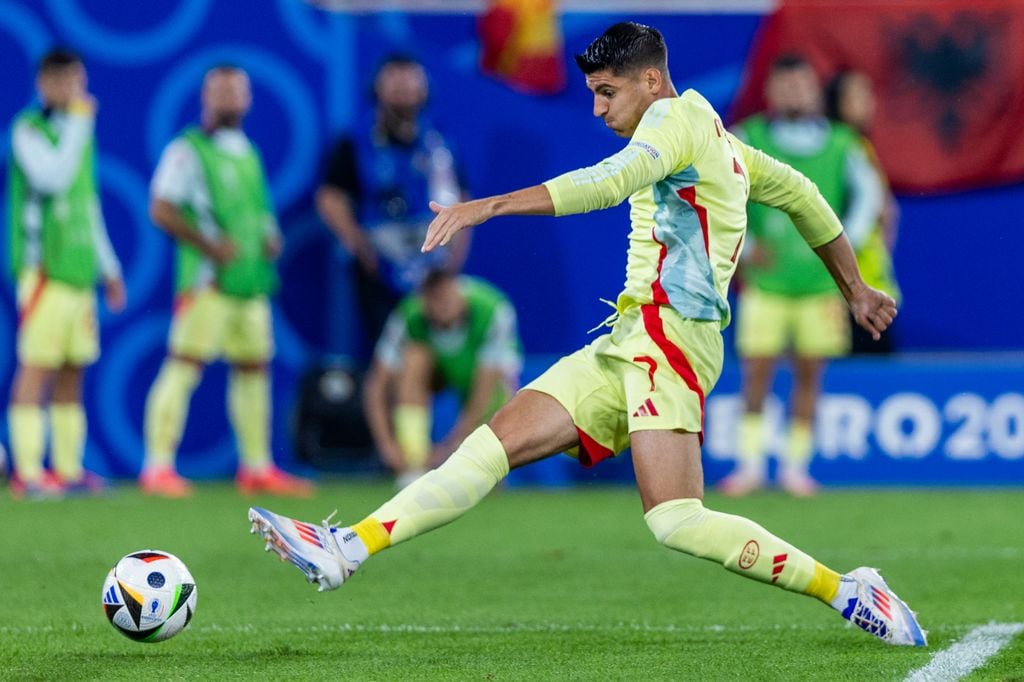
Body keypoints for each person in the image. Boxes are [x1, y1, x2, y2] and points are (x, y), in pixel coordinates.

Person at [248, 23, 924, 646]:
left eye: (607, 92)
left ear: (651, 82)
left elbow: (611, 181)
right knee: (489, 446)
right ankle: (347, 549)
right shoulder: (724, 142)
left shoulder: (673, 121)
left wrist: (490, 205)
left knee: (676, 520)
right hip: (629, 336)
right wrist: (855, 287)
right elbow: (803, 194)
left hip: (674, 342)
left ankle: (849, 592)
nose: (598, 109)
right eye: (593, 95)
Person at [139, 64, 312, 498]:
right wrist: (207, 245)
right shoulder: (187, 150)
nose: (230, 98)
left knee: (253, 370)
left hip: (251, 282)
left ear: (249, 99)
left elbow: (256, 208)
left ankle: (256, 468)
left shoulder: (247, 150)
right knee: (183, 366)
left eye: (237, 90)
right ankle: (157, 467)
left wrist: (269, 236)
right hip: (208, 282)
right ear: (205, 97)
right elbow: (161, 208)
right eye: (221, 91)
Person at [721, 54, 885, 497]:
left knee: (811, 374)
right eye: (785, 84)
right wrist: (747, 247)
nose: (794, 93)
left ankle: (796, 467)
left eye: (802, 85)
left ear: (814, 91)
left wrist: (842, 244)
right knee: (756, 372)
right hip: (766, 283)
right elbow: (717, 195)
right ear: (771, 91)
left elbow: (870, 196)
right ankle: (750, 465)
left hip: (819, 285)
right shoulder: (745, 137)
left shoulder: (841, 143)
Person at [6, 48, 126, 499]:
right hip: (43, 273)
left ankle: (68, 469)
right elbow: (52, 179)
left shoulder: (80, 134)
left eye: (78, 82)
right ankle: (29, 474)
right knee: (36, 367)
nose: (73, 92)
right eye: (63, 83)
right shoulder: (27, 131)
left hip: (78, 272)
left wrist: (108, 267)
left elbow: (85, 202)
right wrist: (79, 121)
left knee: (73, 368)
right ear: (44, 84)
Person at [316, 54, 469, 357]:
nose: (402, 89)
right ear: (377, 89)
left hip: (434, 266)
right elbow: (330, 197)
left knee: (437, 353)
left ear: (424, 90)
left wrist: (454, 260)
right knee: (388, 355)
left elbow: (462, 199)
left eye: (410, 81)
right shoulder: (355, 142)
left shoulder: (439, 143)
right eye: (393, 81)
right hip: (381, 267)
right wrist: (359, 245)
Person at [363, 269, 522, 487]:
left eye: (446, 298)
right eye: (434, 300)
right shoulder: (409, 315)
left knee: (487, 474)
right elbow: (377, 384)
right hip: (439, 372)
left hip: (485, 377)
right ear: (424, 300)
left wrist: (450, 448)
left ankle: (479, 469)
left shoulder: (492, 309)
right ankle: (414, 464)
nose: (441, 306)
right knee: (414, 358)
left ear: (458, 292)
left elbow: (483, 391)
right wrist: (386, 445)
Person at [825, 68, 901, 354]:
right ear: (837, 103)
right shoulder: (835, 149)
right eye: (858, 95)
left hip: (872, 285)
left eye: (869, 94)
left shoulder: (862, 147)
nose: (869, 102)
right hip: (842, 294)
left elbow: (886, 213)